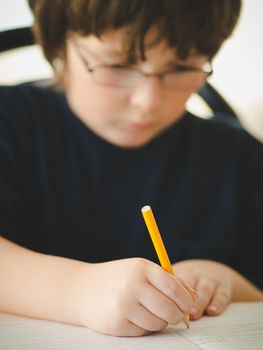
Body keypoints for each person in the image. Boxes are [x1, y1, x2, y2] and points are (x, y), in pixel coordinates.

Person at [0, 0, 262, 337]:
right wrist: (76, 291)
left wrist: (226, 282)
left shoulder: (241, 160)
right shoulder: (10, 123)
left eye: (182, 67)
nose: (147, 101)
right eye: (117, 65)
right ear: (59, 44)